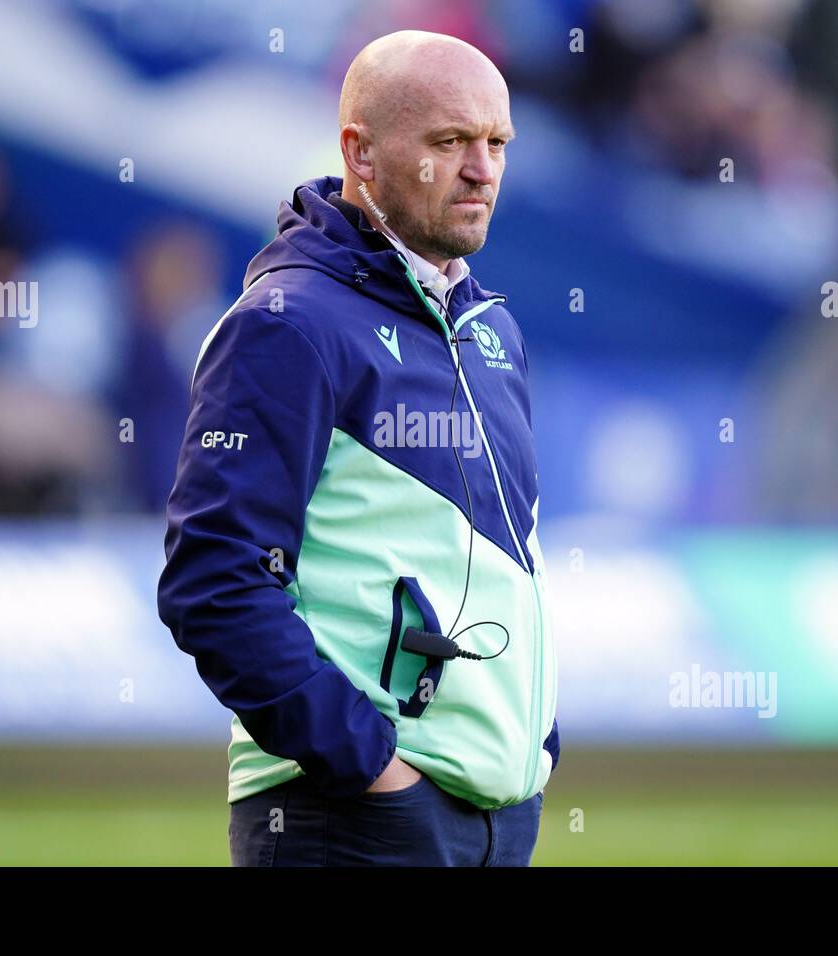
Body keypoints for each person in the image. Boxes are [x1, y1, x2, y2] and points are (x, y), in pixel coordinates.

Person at [157, 30, 558, 867]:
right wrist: (372, 768)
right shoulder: (287, 325)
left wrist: (536, 742)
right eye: (450, 142)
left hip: (499, 819)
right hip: (349, 821)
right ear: (361, 154)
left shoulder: (492, 331)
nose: (482, 169)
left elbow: (510, 566)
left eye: (497, 143)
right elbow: (214, 580)